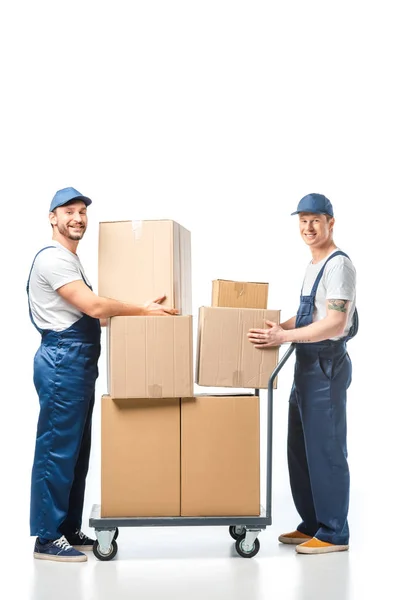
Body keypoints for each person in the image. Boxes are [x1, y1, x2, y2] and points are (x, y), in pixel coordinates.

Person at [27, 187, 177, 562]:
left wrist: (143, 312)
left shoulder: (70, 261)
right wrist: (141, 312)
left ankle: (66, 528)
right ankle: (47, 537)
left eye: (82, 212)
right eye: (69, 212)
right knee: (56, 450)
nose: (77, 218)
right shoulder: (53, 259)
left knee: (76, 452)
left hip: (76, 363)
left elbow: (98, 315)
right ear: (52, 218)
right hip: (63, 362)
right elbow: (93, 306)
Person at [248, 193, 357, 555]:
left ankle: (333, 532)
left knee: (326, 450)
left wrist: (284, 337)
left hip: (325, 365)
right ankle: (312, 523)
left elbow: (335, 322)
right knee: (300, 448)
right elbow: (309, 316)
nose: (308, 227)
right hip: (306, 365)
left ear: (331, 223)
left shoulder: (338, 265)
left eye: (316, 220)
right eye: (303, 220)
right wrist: (276, 329)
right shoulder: (314, 264)